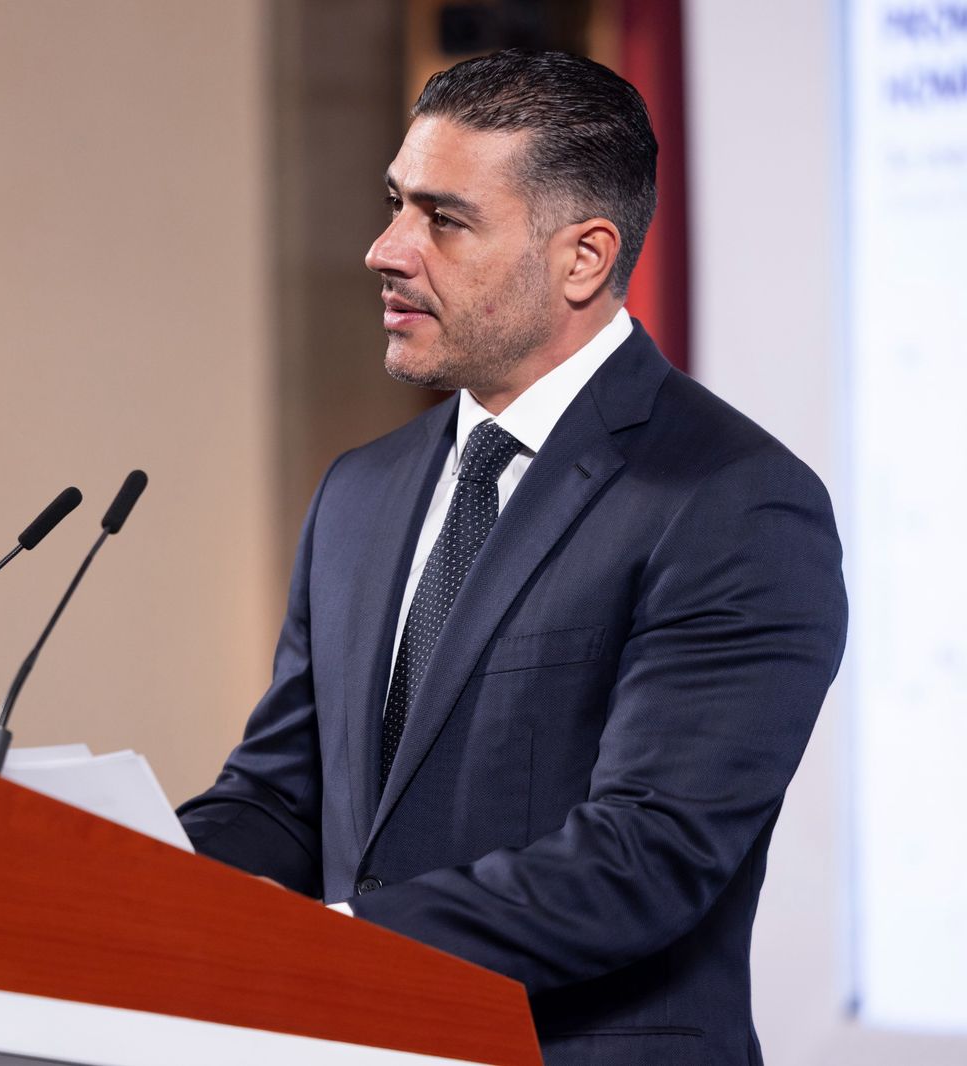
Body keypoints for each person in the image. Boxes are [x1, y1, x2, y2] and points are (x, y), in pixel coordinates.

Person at [177, 49, 846, 1066]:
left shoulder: (733, 501)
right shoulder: (358, 490)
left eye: (443, 220)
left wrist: (332, 947)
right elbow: (281, 799)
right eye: (396, 204)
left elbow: (644, 860)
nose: (385, 250)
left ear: (583, 259)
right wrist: (111, 876)